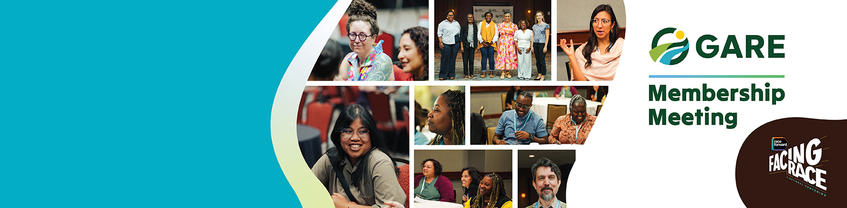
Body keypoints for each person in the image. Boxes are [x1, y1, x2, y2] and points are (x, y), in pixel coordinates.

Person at [311, 104, 406, 208]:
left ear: (371, 135)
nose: (355, 137)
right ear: (338, 135)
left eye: (362, 131)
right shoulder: (331, 158)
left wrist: (347, 206)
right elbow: (303, 190)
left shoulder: (380, 163)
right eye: (348, 131)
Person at [560, 4, 624, 81]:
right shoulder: (582, 51)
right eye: (595, 21)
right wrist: (571, 56)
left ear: (612, 25)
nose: (599, 25)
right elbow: (581, 83)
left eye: (604, 21)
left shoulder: (622, 46)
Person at [337, 0, 394, 81]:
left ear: (374, 38)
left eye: (362, 35)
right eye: (353, 34)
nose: (356, 40)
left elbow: (366, 88)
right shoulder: (349, 58)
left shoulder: (383, 61)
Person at [438, 10, 461, 80]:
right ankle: (443, 75)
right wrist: (440, 42)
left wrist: (459, 42)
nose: (451, 16)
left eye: (452, 15)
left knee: (452, 59)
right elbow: (439, 34)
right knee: (445, 59)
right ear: (447, 16)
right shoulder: (442, 24)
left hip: (455, 43)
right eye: (449, 15)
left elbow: (459, 33)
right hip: (446, 43)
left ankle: (451, 74)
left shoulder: (456, 23)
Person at [496, 12, 518, 79]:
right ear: (504, 17)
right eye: (506, 16)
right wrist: (497, 45)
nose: (507, 17)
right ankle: (502, 72)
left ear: (510, 17)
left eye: (508, 16)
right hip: (502, 43)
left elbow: (516, 36)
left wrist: (516, 45)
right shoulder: (500, 25)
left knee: (509, 57)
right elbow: (497, 36)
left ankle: (507, 72)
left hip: (511, 43)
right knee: (503, 57)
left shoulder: (514, 26)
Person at [477, 12, 498, 78]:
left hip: (491, 44)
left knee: (491, 58)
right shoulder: (481, 24)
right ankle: (483, 72)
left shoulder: (494, 25)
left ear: (491, 17)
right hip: (483, 44)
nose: (488, 17)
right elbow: (479, 34)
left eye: (489, 16)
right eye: (487, 16)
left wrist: (491, 42)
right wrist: (482, 42)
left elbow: (496, 35)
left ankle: (491, 72)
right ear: (485, 17)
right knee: (484, 57)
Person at [460, 13, 479, 79]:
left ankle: (471, 74)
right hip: (465, 45)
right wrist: (461, 46)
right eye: (469, 17)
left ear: (473, 19)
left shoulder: (475, 26)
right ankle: (466, 74)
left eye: (471, 17)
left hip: (472, 46)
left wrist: (476, 47)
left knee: (471, 60)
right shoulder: (464, 26)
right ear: (467, 18)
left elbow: (476, 37)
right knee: (465, 61)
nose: (470, 18)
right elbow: (461, 36)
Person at [532, 11, 550, 80]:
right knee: (537, 60)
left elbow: (547, 36)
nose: (538, 17)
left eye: (539, 15)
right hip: (535, 43)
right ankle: (539, 73)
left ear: (542, 16)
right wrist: (532, 46)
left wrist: (545, 46)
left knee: (542, 60)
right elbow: (533, 36)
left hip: (542, 44)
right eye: (537, 16)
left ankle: (543, 75)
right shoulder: (534, 26)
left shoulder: (546, 25)